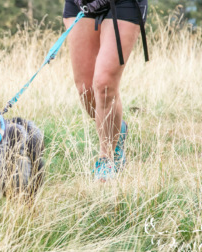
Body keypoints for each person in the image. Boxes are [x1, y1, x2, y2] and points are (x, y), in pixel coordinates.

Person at [63, 0, 148, 181]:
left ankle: (106, 156)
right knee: (86, 89)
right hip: (82, 4)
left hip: (124, 3)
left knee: (103, 85)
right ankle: (118, 129)